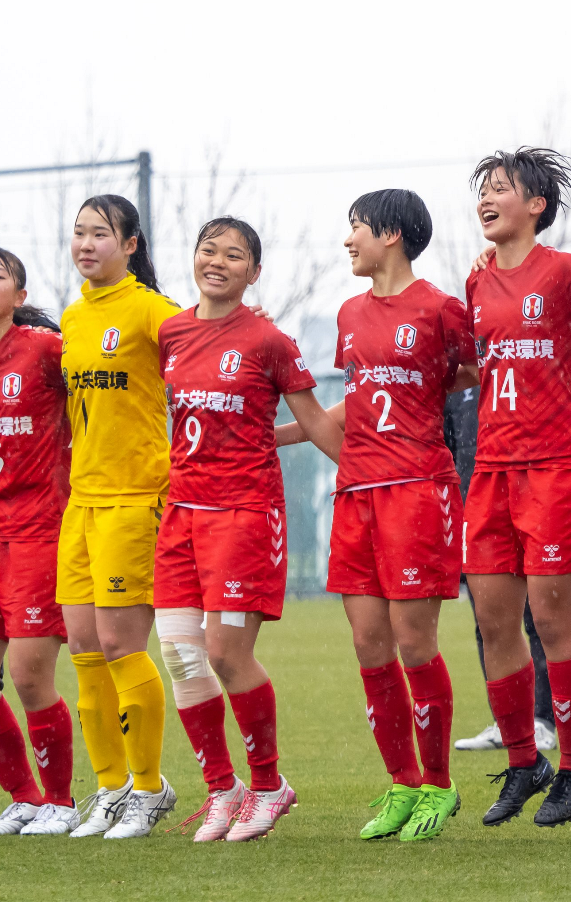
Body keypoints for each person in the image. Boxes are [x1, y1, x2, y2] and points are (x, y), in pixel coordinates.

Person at [279, 189, 476, 842]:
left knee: (415, 642)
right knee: (369, 643)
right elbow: (361, 404)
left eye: (356, 228)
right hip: (357, 494)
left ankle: (440, 787)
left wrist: (428, 393)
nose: (347, 241)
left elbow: (472, 372)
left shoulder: (442, 309)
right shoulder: (349, 314)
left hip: (418, 490)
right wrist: (277, 435)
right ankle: (402, 783)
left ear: (391, 234)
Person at [156, 217, 342, 842]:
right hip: (181, 514)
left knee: (225, 654)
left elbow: (314, 421)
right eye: (209, 250)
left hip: (244, 514)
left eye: (234, 255)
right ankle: (221, 789)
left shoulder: (269, 340)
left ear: (254, 272)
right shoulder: (172, 332)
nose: (218, 261)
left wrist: (382, 473)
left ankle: (268, 784)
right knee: (181, 656)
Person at [462, 148, 571, 827]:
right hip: (491, 467)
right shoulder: (477, 279)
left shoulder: (570, 273)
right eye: (482, 189)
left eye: (500, 189)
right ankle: (525, 761)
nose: (487, 198)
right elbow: (470, 366)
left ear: (536, 205)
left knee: (551, 620)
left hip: (554, 466)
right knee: (495, 622)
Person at [58, 195, 182, 838]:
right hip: (81, 502)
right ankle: (107, 790)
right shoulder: (74, 317)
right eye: (79, 233)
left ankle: (149, 787)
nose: (86, 243)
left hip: (137, 499)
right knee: (81, 647)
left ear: (130, 244)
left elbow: (206, 352)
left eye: (99, 233)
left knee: (119, 644)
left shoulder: (153, 312)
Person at [0, 246, 75, 836]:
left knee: (31, 676)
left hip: (37, 532)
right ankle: (24, 798)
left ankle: (60, 802)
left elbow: (123, 362)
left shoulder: (42, 350)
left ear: (21, 297)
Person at [446, 386, 558, 756]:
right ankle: (507, 719)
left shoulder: (520, 372)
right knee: (488, 622)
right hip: (478, 507)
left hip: (530, 500)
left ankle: (543, 720)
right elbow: (449, 449)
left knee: (539, 618)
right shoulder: (458, 392)